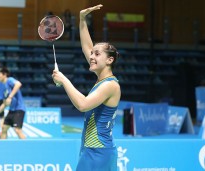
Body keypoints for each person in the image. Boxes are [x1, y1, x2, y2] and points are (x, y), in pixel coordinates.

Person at [52, 4, 121, 171]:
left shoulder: (110, 86)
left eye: (97, 54)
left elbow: (82, 105)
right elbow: (87, 47)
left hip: (98, 152)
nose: (91, 56)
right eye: (92, 54)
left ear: (109, 60)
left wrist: (64, 80)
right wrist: (82, 19)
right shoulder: (102, 80)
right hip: (94, 149)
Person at [0, 67, 26, 139]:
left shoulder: (9, 80)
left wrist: (10, 97)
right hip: (12, 110)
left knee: (17, 130)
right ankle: (3, 147)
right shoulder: (4, 88)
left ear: (4, 75)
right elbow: (5, 104)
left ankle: (27, 148)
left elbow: (18, 84)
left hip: (19, 109)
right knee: (4, 129)